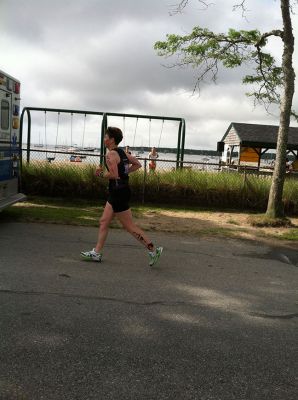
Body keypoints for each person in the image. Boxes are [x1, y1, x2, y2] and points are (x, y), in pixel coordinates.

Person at [81, 127, 163, 266]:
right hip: (119, 191)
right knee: (104, 221)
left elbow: (113, 175)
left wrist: (99, 174)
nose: (104, 139)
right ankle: (97, 252)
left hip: (118, 192)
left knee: (130, 226)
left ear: (112, 139)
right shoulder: (122, 153)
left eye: (106, 137)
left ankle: (153, 250)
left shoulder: (111, 155)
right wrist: (125, 173)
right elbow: (137, 164)